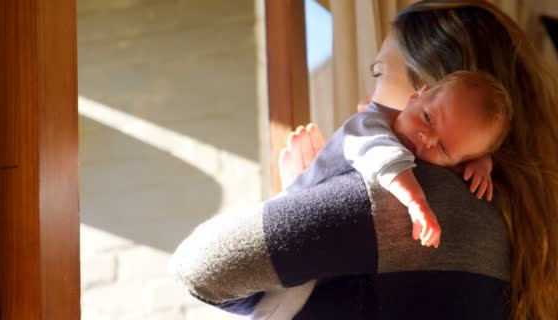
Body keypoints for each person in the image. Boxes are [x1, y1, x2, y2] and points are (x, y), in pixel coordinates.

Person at [171, 1, 558, 319]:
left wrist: (300, 194)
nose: (363, 104)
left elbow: (200, 267)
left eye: (378, 74)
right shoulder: (497, 213)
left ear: (430, 84)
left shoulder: (406, 193)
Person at [287, 70, 512, 249]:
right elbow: (388, 160)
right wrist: (416, 202)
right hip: (291, 222)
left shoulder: (443, 161)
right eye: (428, 118)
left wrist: (482, 163)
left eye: (442, 147)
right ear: (416, 96)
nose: (427, 138)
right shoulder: (368, 126)